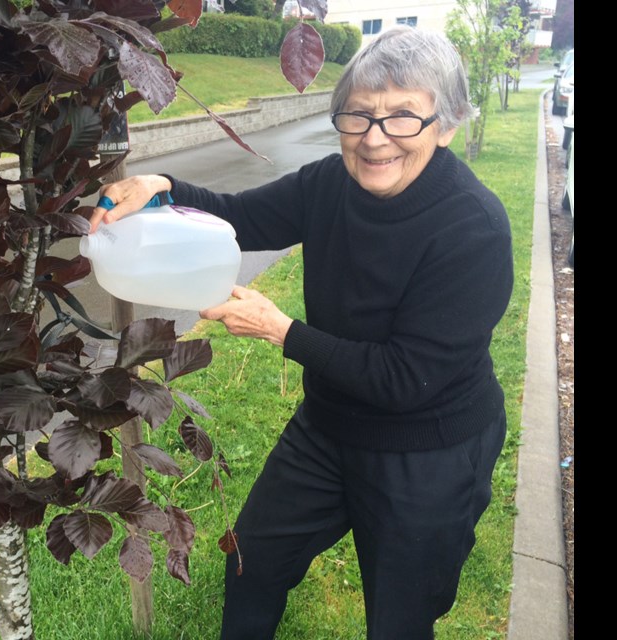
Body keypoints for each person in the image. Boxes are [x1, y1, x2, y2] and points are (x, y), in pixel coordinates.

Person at [88, 26, 513, 640]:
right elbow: (243, 216)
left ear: (444, 126)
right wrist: (167, 189)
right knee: (250, 562)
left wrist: (281, 330)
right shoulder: (328, 184)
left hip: (428, 451)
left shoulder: (473, 229)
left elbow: (406, 379)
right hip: (330, 427)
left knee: (399, 620)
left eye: (402, 118)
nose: (374, 139)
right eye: (358, 115)